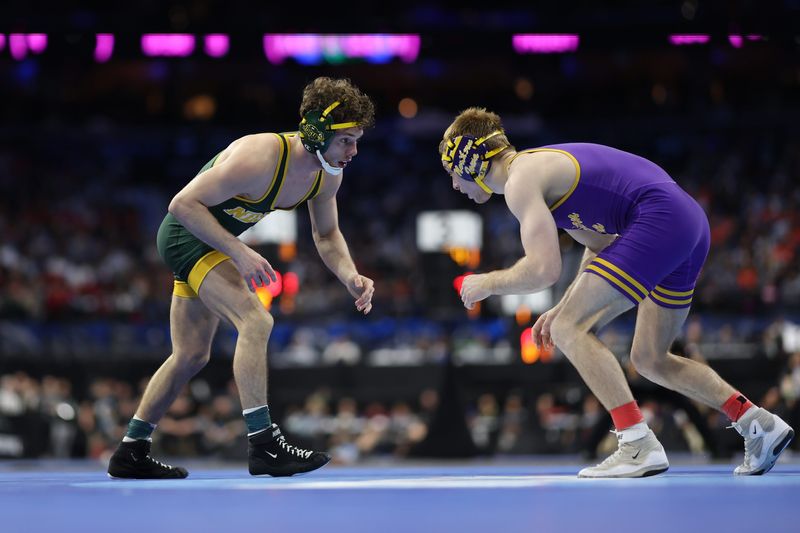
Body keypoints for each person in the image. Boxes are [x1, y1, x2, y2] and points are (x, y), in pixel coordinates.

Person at [439, 107, 794, 478]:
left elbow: (544, 269)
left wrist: (485, 283)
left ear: (470, 163)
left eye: (452, 173)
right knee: (650, 358)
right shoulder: (542, 175)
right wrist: (564, 306)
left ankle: (636, 443)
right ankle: (757, 423)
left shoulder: (519, 181)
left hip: (661, 218)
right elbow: (600, 244)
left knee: (568, 330)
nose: (454, 185)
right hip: (685, 222)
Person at [107, 77, 376, 479]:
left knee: (191, 355)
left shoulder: (327, 174)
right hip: (185, 234)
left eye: (356, 140)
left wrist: (350, 275)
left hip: (210, 242)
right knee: (256, 320)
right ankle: (264, 444)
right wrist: (238, 250)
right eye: (347, 140)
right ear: (316, 131)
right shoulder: (259, 155)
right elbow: (182, 204)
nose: (353, 152)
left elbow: (326, 234)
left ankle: (131, 450)